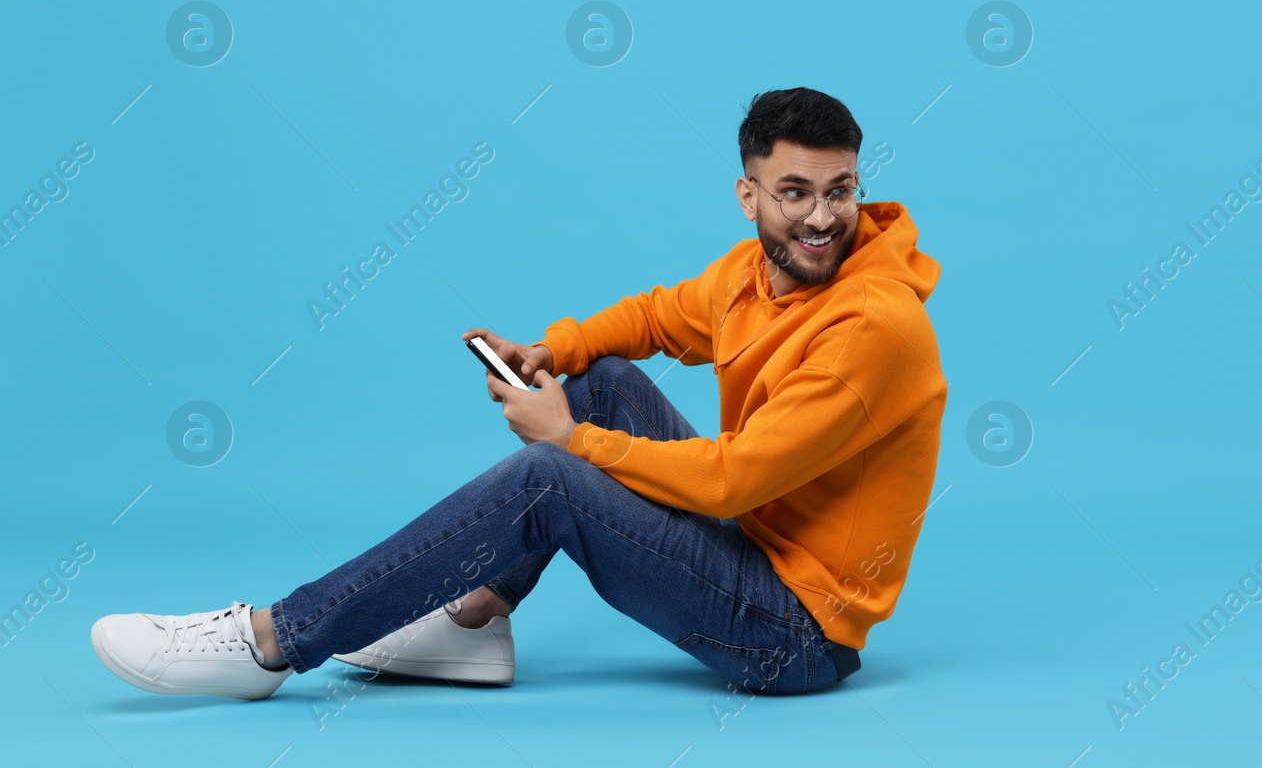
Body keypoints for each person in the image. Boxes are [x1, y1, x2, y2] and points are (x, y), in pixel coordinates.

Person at [90, 87, 946, 700]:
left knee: (550, 477)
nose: (823, 218)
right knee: (603, 381)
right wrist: (551, 349)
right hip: (754, 551)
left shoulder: (874, 323)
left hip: (794, 633)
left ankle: (271, 641)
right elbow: (657, 316)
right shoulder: (753, 275)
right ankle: (473, 623)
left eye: (839, 190)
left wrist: (569, 442)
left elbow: (734, 480)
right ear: (748, 195)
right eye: (795, 192)